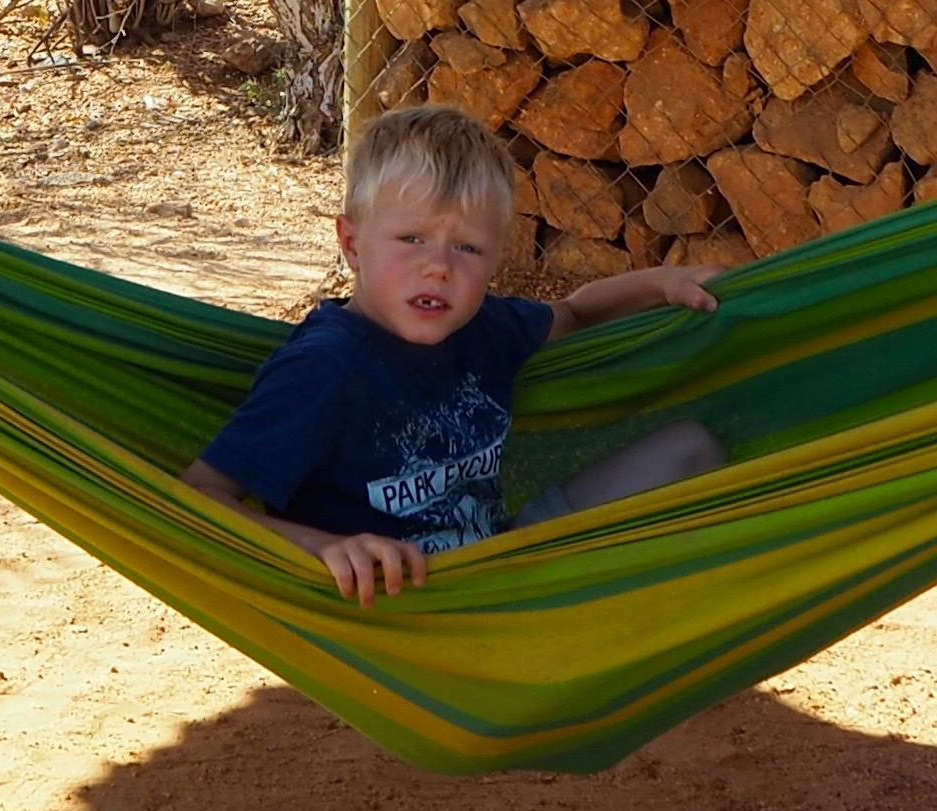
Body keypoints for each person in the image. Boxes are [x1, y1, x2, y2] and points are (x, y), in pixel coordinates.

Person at [187, 104, 728, 601]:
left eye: (467, 247)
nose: (439, 267)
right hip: (394, 603)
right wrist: (319, 547)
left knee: (691, 446)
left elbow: (577, 313)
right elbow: (201, 499)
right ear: (352, 245)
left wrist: (663, 283)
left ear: (495, 258)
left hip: (500, 567)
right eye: (412, 239)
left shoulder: (485, 326)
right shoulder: (324, 367)